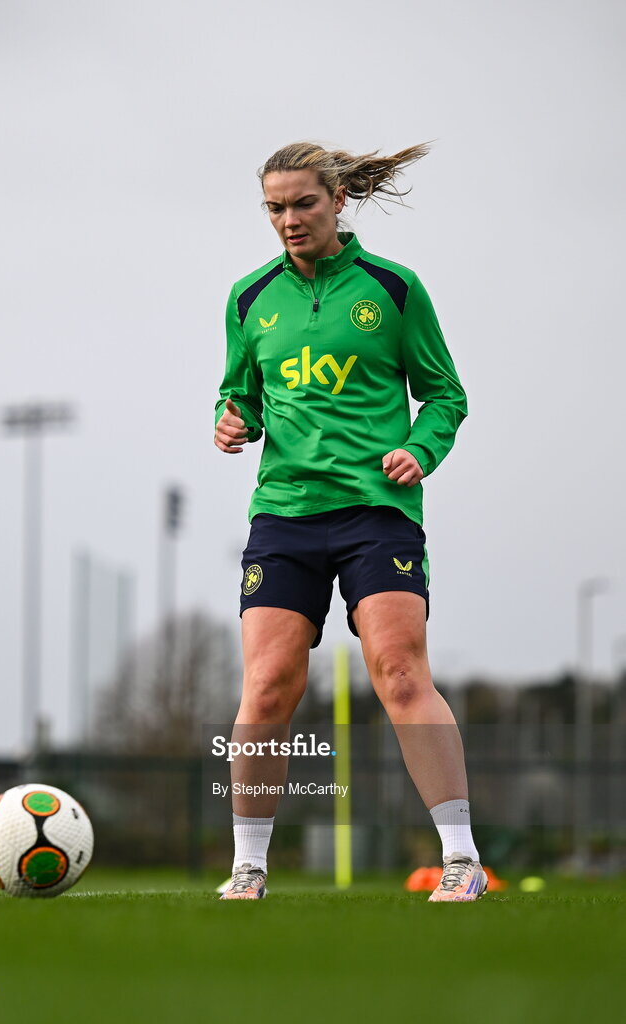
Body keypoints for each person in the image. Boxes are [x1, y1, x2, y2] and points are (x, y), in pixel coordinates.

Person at [213, 141, 486, 902]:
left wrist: (418, 450)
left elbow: (444, 395)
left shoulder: (393, 289)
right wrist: (231, 421)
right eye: (275, 208)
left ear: (337, 201)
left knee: (399, 673)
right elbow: (240, 395)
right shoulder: (247, 297)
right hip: (285, 515)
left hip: (376, 512)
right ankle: (247, 869)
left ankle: (462, 859)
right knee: (267, 686)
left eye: (303, 204)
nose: (289, 220)